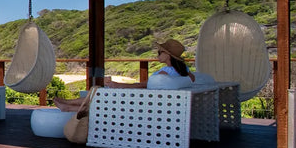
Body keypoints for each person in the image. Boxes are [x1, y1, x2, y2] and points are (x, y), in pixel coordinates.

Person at [53, 38, 195, 111]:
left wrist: (117, 85)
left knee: (98, 93)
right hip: (150, 101)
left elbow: (141, 86)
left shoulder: (165, 73)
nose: (157, 54)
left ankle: (69, 105)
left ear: (168, 55)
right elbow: (192, 79)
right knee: (99, 94)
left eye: (160, 52)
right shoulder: (184, 72)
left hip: (139, 100)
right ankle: (68, 105)